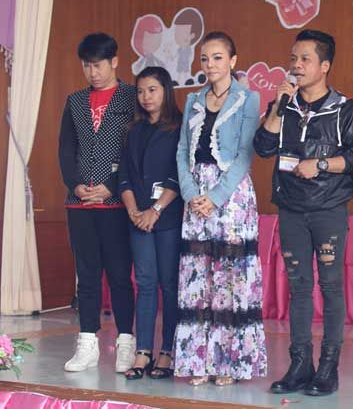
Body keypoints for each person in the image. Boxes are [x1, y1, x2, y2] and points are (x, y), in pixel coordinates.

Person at [254, 29, 353, 396]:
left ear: (325, 66)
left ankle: (328, 368)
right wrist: (278, 107)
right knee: (299, 288)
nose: (296, 66)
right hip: (290, 209)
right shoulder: (284, 106)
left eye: (305, 59)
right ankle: (300, 364)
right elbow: (262, 147)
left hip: (328, 209)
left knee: (331, 287)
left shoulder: (343, 109)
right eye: (293, 59)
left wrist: (320, 164)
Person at [174, 31, 267, 386]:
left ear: (232, 61)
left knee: (230, 277)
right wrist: (190, 193)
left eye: (217, 57)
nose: (210, 65)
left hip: (231, 195)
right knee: (198, 276)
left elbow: (245, 154)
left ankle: (229, 362)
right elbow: (182, 150)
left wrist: (214, 197)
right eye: (204, 59)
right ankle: (198, 359)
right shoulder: (193, 100)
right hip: (195, 194)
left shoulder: (248, 99)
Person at [58, 33, 137, 373]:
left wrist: (111, 187)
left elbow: (135, 151)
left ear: (114, 61)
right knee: (87, 276)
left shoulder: (132, 97)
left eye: (99, 65)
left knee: (119, 275)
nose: (93, 72)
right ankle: (87, 343)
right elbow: (66, 149)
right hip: (79, 205)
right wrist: (75, 185)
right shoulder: (75, 101)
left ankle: (126, 343)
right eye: (87, 66)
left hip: (117, 204)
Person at [118, 66, 183, 380]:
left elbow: (179, 175)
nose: (146, 97)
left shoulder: (180, 127)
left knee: (169, 285)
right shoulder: (134, 130)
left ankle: (167, 351)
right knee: (144, 283)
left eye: (152, 90)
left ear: (166, 91)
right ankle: (143, 352)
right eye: (141, 91)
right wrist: (134, 211)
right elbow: (124, 176)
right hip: (138, 219)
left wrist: (155, 210)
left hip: (168, 217)